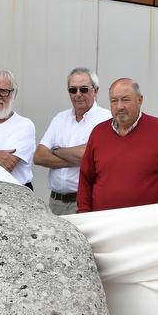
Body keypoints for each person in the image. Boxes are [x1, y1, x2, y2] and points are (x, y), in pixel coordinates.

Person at [77, 78, 158, 212]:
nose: (119, 106)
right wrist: (83, 213)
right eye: (114, 101)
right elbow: (85, 179)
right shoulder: (99, 133)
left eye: (126, 99)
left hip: (144, 225)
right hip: (103, 224)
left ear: (140, 100)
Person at [34, 67, 111, 215]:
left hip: (86, 202)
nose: (78, 95)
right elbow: (39, 156)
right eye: (73, 90)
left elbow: (90, 156)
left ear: (95, 90)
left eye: (83, 89)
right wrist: (82, 158)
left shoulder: (106, 119)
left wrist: (57, 150)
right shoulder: (59, 119)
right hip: (55, 203)